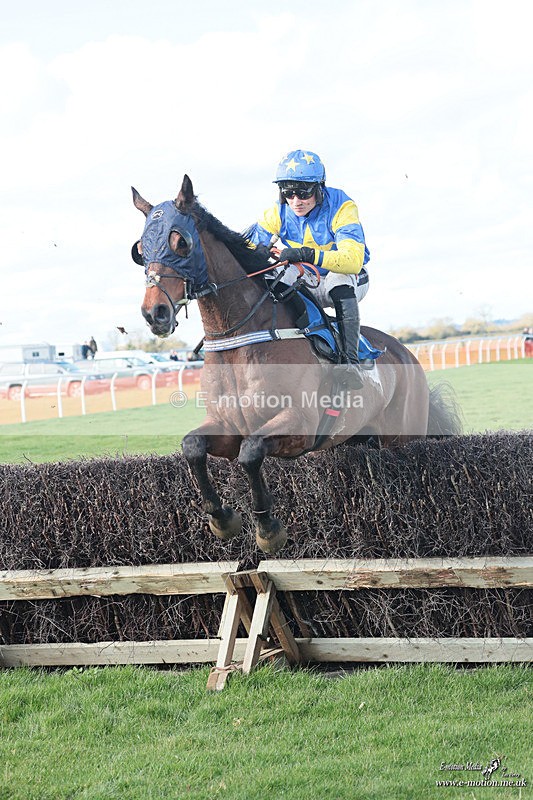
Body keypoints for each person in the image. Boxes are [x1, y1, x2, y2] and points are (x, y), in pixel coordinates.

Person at [247, 149, 370, 388]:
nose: (295, 201)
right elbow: (245, 248)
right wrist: (256, 254)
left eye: (303, 192)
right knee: (271, 278)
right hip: (309, 280)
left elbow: (353, 260)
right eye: (288, 192)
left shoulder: (342, 206)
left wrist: (305, 254)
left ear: (319, 188)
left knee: (338, 280)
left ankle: (350, 363)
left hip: (351, 278)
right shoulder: (277, 211)